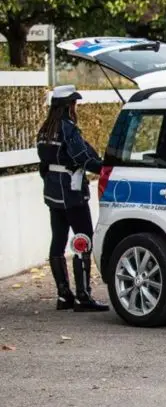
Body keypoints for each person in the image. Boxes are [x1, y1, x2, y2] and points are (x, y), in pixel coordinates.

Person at [37, 85, 109, 313]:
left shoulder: (44, 130)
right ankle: (83, 297)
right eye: (74, 103)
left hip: (52, 193)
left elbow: (43, 165)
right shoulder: (68, 129)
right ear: (68, 106)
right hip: (72, 193)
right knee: (83, 239)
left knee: (57, 241)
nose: (75, 107)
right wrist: (104, 169)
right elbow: (82, 156)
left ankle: (64, 295)